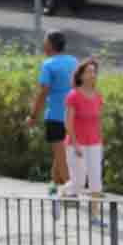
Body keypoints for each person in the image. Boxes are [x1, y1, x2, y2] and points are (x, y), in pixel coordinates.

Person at [60, 57, 107, 220]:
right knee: (78, 183)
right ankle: (64, 191)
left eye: (94, 72)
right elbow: (68, 122)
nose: (92, 75)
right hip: (76, 144)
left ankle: (94, 217)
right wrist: (75, 143)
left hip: (94, 144)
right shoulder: (73, 96)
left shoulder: (98, 96)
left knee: (96, 181)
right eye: (89, 71)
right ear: (81, 75)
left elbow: (98, 121)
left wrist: (101, 142)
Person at [34, 31, 77, 203]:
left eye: (45, 41)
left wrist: (33, 115)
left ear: (51, 45)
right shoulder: (73, 61)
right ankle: (53, 185)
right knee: (60, 153)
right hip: (72, 116)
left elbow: (42, 93)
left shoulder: (48, 65)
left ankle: (70, 192)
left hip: (55, 116)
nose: (43, 45)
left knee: (61, 156)